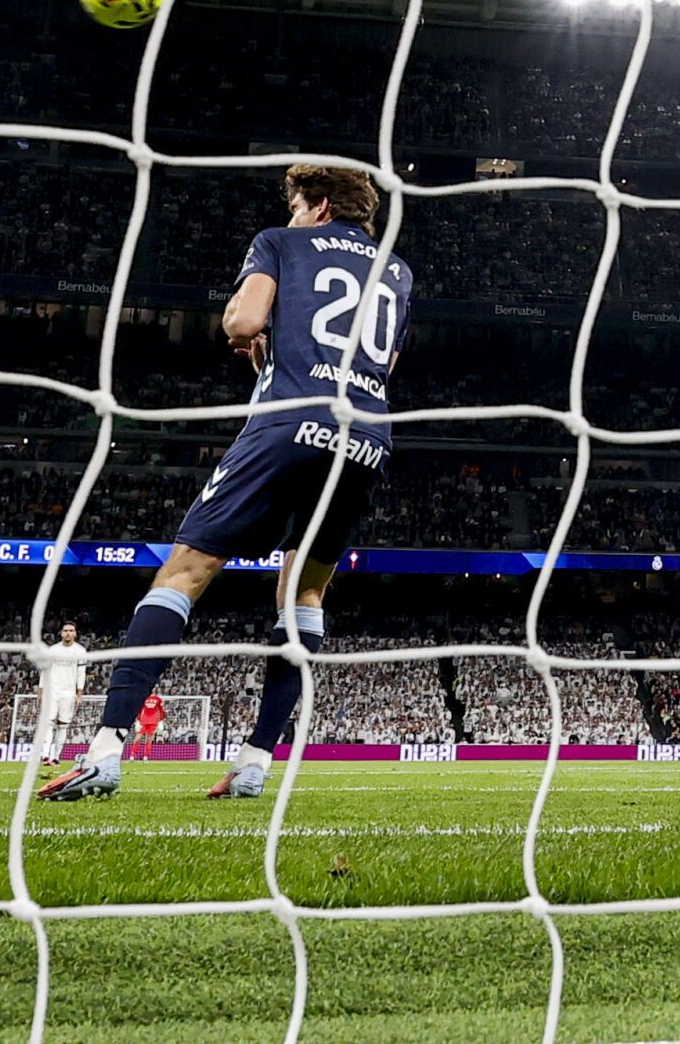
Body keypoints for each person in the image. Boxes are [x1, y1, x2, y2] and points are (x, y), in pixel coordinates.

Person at [40, 165, 412, 803]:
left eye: (297, 204)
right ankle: (255, 763)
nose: (291, 213)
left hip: (290, 422)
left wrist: (251, 330)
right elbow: (380, 362)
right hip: (364, 438)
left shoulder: (280, 241)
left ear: (319, 206)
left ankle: (104, 750)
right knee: (304, 596)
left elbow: (241, 323)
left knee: (184, 571)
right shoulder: (399, 273)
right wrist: (279, 355)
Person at [37, 622, 88, 767]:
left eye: (71, 631)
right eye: (65, 630)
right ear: (61, 633)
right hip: (52, 691)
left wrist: (79, 693)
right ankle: (45, 755)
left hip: (68, 693)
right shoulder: (52, 650)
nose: (68, 633)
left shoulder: (80, 651)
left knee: (63, 725)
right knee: (48, 722)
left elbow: (81, 673)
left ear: (75, 633)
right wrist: (41, 690)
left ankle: (56, 757)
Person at [134, 692, 165, 761]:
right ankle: (132, 755)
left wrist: (161, 721)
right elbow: (139, 709)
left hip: (153, 722)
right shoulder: (143, 697)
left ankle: (146, 756)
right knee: (138, 738)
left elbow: (161, 710)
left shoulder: (158, 699)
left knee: (149, 740)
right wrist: (138, 721)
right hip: (144, 721)